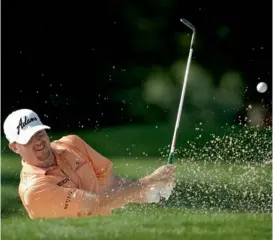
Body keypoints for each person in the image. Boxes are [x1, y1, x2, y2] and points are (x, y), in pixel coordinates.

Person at [3, 108, 175, 219]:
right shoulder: (34, 190)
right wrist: (148, 181)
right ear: (14, 147)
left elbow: (110, 184)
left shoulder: (72, 144)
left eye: (39, 132)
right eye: (28, 139)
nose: (38, 141)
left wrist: (150, 193)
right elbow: (96, 203)